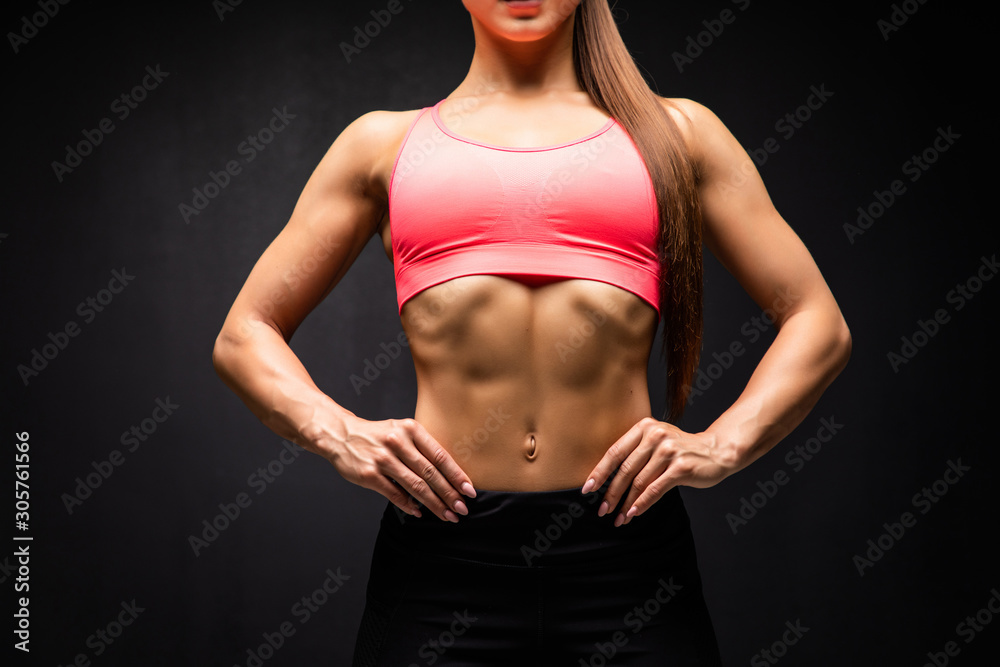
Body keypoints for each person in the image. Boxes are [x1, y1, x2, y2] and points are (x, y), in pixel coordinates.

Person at [212, 0, 852, 664]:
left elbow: (816, 320)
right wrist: (336, 431)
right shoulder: (384, 147)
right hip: (441, 563)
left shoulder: (678, 135)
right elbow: (244, 333)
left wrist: (722, 446)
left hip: (628, 559)